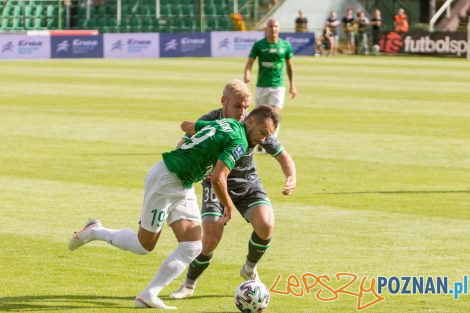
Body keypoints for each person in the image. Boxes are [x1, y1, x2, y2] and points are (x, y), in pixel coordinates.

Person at [68, 79, 278, 310]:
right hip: (167, 181)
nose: (264, 140)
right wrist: (228, 206)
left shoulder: (225, 123)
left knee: (192, 246)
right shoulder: (238, 140)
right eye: (262, 133)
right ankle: (95, 231)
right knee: (143, 246)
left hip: (183, 181)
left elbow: (187, 125)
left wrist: (192, 147)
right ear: (250, 123)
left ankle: (149, 294)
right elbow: (219, 178)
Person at [169, 85, 296, 301]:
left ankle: (249, 268)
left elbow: (283, 155)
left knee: (266, 224)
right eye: (238, 106)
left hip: (247, 183)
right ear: (224, 101)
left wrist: (290, 176)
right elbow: (187, 136)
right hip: (215, 183)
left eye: (246, 106)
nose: (242, 111)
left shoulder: (256, 124)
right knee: (211, 237)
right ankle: (189, 284)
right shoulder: (212, 119)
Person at [244, 19, 296, 145]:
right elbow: (250, 63)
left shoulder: (285, 45)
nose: (273, 29)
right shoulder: (259, 45)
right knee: (259, 115)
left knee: (275, 113)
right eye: (271, 26)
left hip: (278, 85)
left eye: (276, 26)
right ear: (266, 29)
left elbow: (290, 66)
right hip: (262, 85)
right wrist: (247, 76)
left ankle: (270, 142)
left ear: (279, 29)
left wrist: (292, 85)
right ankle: (256, 140)